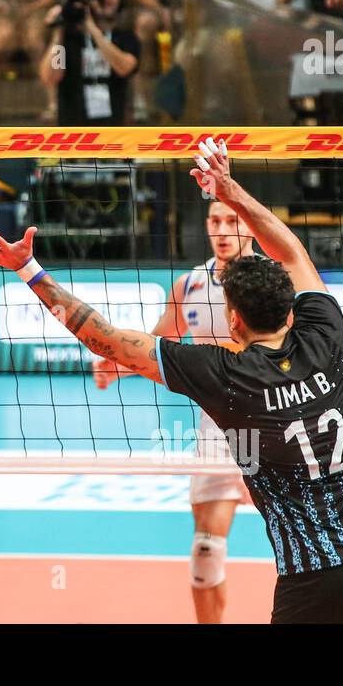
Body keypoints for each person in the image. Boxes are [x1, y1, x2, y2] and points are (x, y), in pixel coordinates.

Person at [0, 137, 343, 624]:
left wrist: (27, 268)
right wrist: (231, 188)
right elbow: (294, 252)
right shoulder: (327, 334)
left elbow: (103, 338)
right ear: (293, 306)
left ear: (233, 320)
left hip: (314, 573)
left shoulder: (224, 376)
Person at [92, 198, 257, 623]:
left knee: (306, 549)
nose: (222, 231)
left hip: (274, 425)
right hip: (218, 432)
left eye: (232, 221)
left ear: (251, 227)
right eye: (214, 221)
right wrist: (119, 364)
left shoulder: (272, 282)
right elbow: (163, 341)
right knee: (205, 553)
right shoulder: (191, 286)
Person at [39, 0, 140, 125]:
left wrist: (92, 28)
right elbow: (50, 77)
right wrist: (59, 30)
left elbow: (124, 68)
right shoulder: (66, 38)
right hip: (72, 129)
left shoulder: (126, 38)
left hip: (112, 129)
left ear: (121, 1)